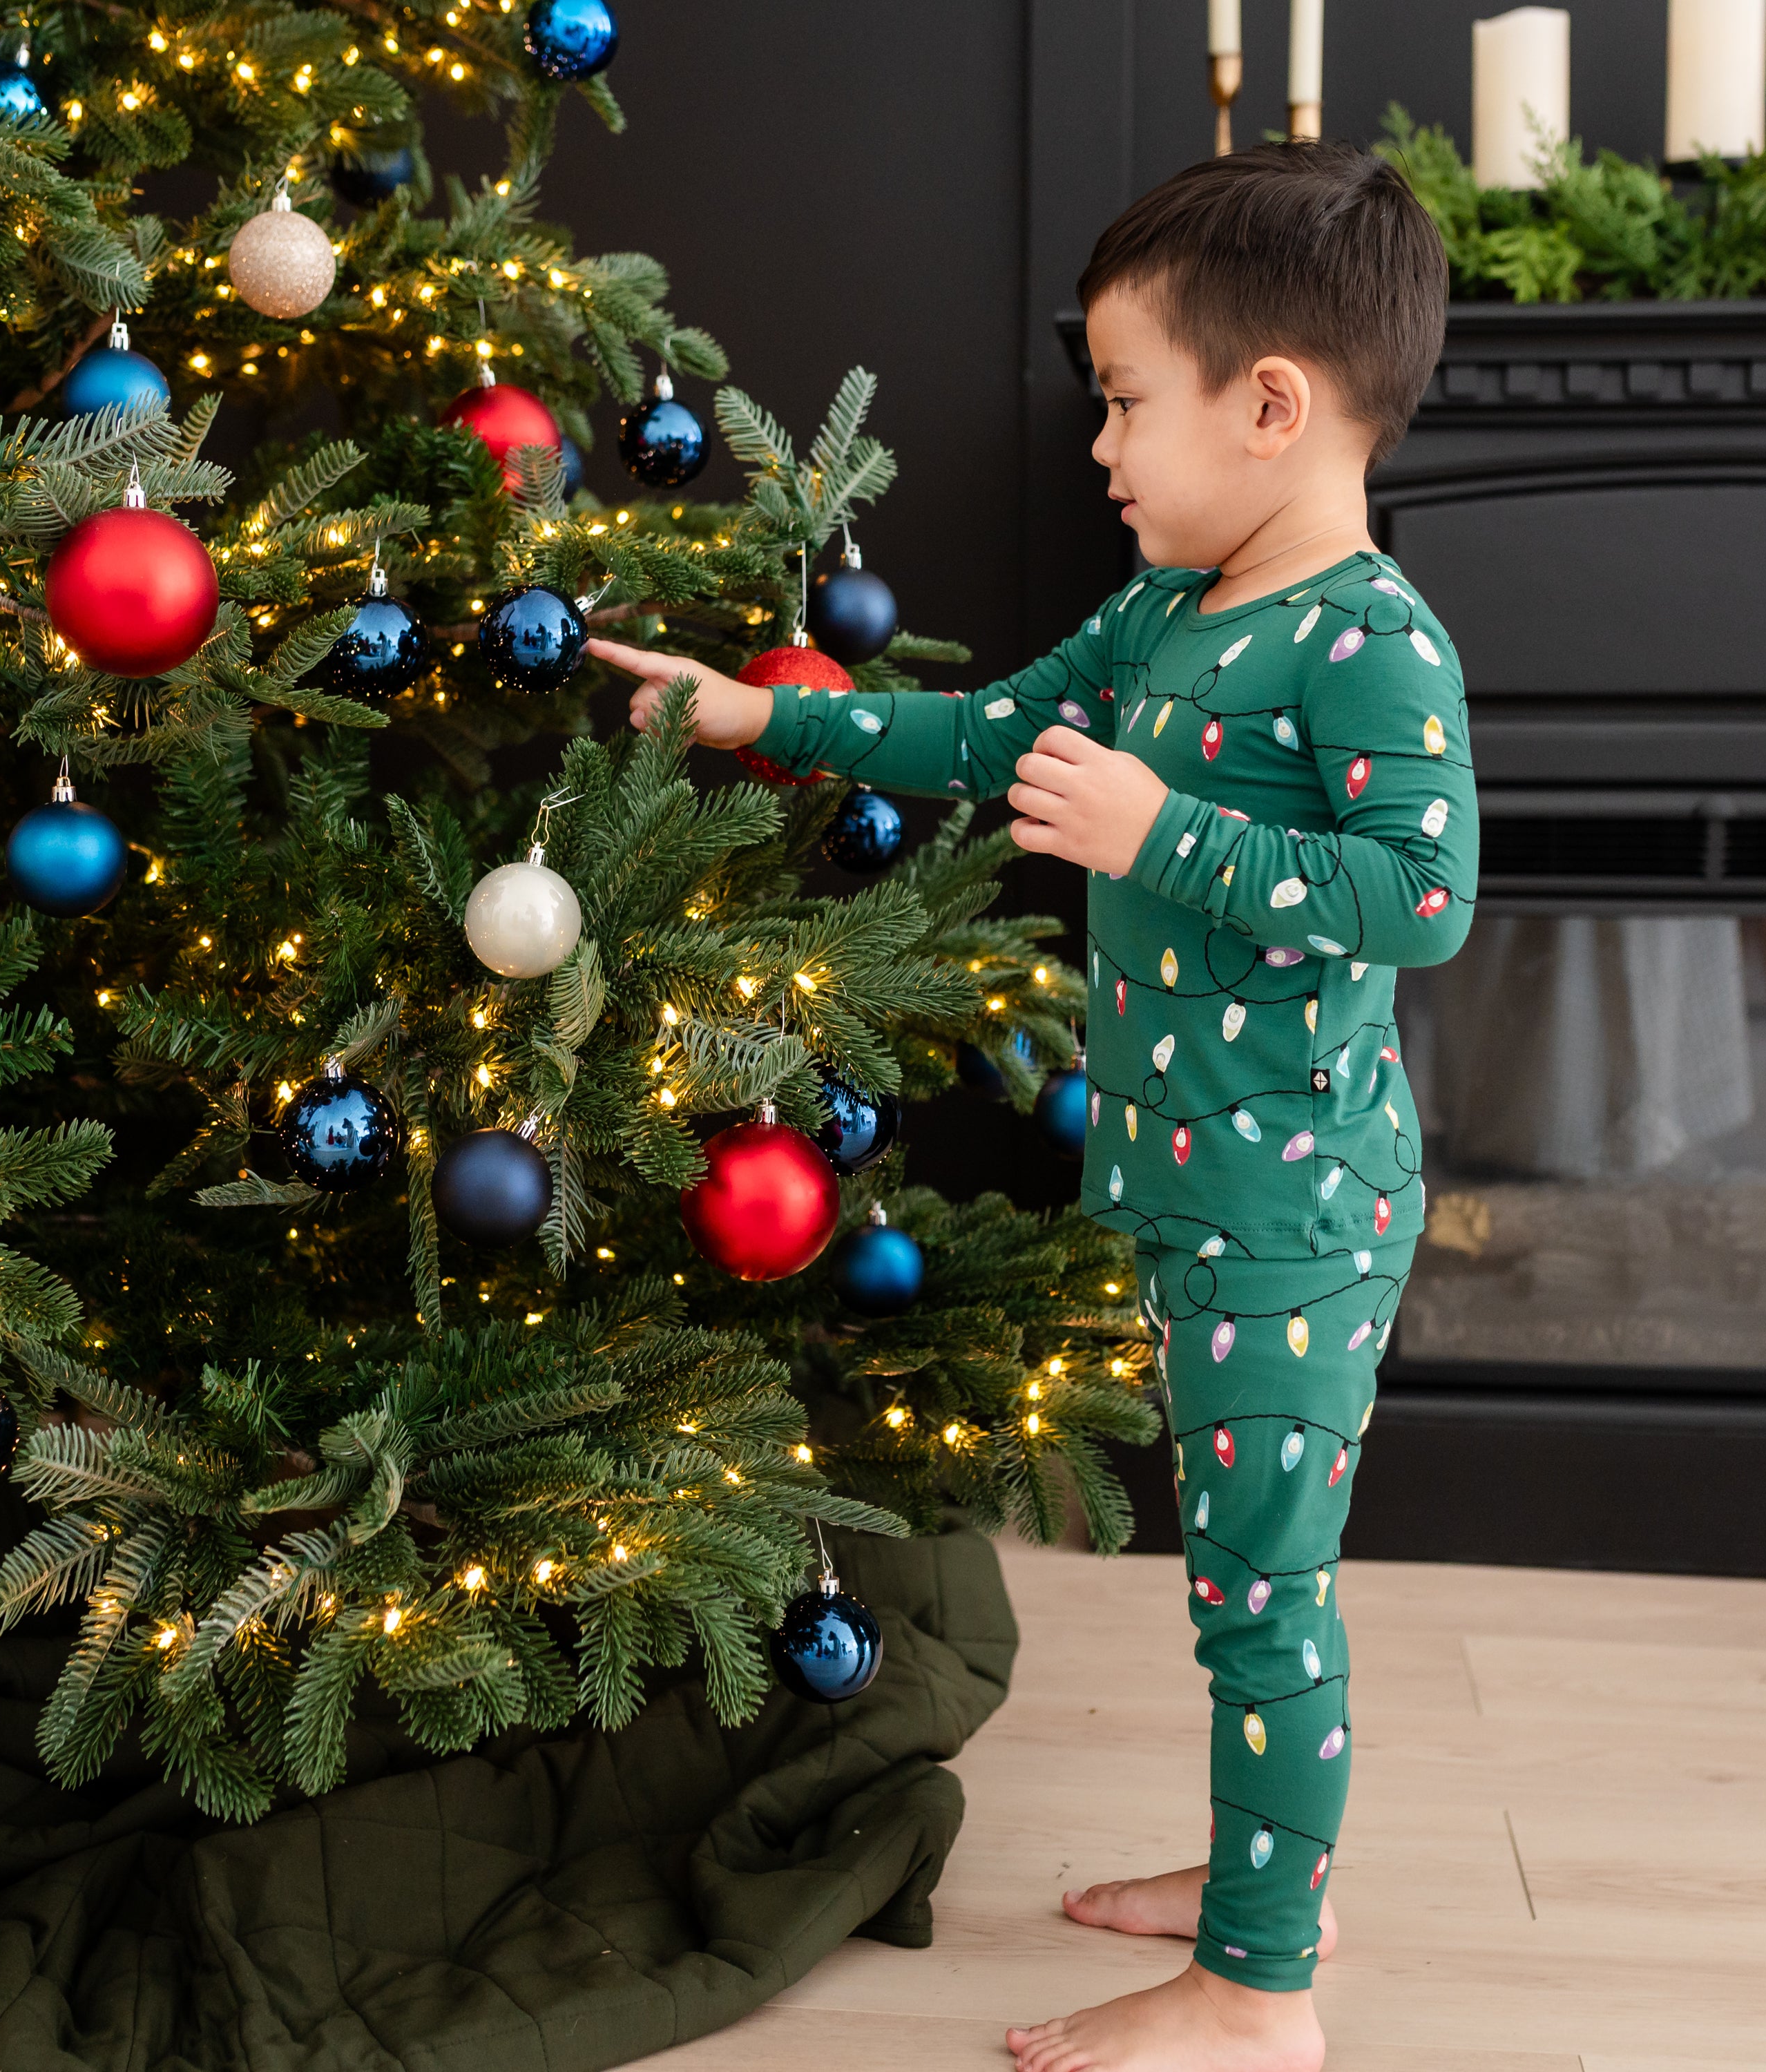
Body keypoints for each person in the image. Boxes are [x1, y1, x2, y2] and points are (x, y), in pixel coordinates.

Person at [591, 139, 1475, 2072]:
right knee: (1232, 1575)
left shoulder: (1370, 642)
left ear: (1269, 406)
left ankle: (1259, 1993)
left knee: (1264, 1595)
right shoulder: (1168, 616)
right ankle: (1269, 1883)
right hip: (1198, 1186)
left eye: (1123, 402)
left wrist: (1172, 834)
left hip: (1298, 1205)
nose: (1101, 448)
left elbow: (1421, 897)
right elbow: (986, 728)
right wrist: (772, 717)